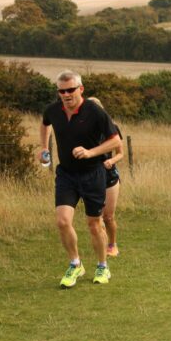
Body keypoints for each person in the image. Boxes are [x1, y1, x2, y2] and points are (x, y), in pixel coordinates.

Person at [39, 70, 121, 288]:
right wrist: (44, 148)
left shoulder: (94, 111)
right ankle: (75, 264)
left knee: (94, 224)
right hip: (66, 174)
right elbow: (45, 123)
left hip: (92, 174)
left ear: (80, 89)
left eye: (70, 90)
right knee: (62, 221)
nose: (66, 95)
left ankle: (102, 265)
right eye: (61, 91)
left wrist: (90, 152)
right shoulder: (53, 110)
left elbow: (115, 141)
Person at [86, 97, 124, 258]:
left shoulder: (112, 128)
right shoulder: (81, 130)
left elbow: (121, 153)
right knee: (97, 217)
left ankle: (112, 244)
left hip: (109, 175)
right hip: (90, 176)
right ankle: (101, 247)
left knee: (108, 216)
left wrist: (111, 160)